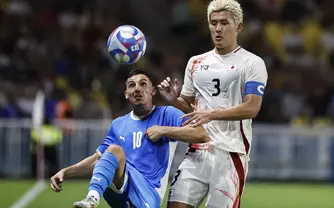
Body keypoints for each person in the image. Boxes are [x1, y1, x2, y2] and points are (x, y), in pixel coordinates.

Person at [158, 0, 268, 207]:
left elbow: (252, 108)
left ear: (239, 26)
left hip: (231, 154)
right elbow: (191, 110)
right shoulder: (196, 62)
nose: (218, 28)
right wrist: (174, 100)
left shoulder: (253, 63)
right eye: (213, 22)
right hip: (197, 152)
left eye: (224, 23)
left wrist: (212, 114)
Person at [49, 69, 209, 208]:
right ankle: (92, 198)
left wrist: (164, 131)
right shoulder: (118, 124)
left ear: (153, 91)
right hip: (121, 190)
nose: (137, 89)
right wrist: (65, 172)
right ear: (126, 94)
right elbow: (97, 161)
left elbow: (201, 135)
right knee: (112, 152)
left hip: (148, 193)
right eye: (132, 85)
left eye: (143, 84)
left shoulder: (167, 114)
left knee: (114, 151)